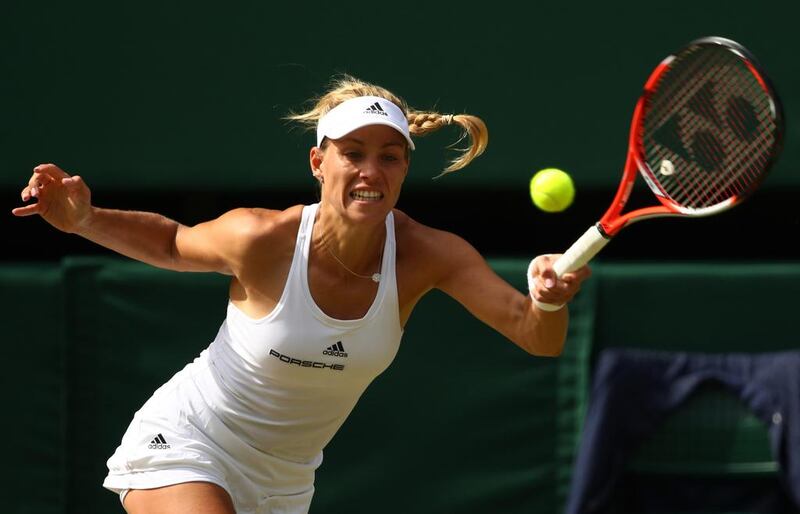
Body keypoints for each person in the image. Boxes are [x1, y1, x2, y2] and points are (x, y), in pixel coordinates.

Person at [12, 75, 591, 514]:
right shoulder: (264, 237)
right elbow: (171, 242)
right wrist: (86, 218)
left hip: (286, 482)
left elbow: (534, 336)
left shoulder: (429, 254)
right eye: (352, 153)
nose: (371, 170)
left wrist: (548, 300)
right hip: (189, 440)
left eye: (388, 156)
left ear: (405, 169)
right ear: (319, 162)